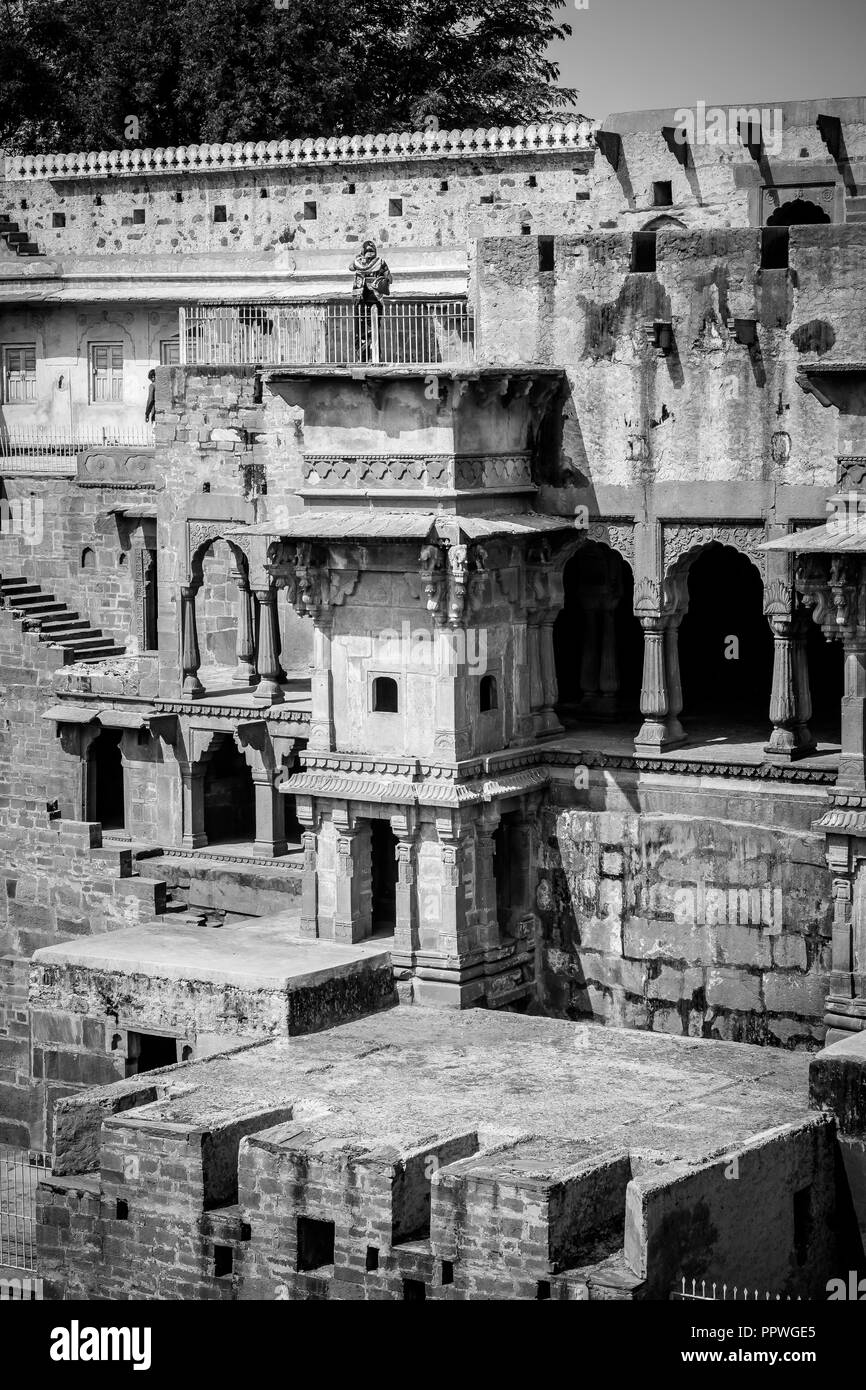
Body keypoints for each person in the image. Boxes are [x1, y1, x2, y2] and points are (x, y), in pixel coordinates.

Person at [350, 240, 391, 361]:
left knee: (362, 331)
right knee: (373, 331)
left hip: (361, 300)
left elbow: (350, 267)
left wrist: (360, 257)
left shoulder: (358, 262)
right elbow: (390, 278)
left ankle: (363, 359)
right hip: (373, 299)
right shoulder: (381, 262)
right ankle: (374, 358)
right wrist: (380, 278)